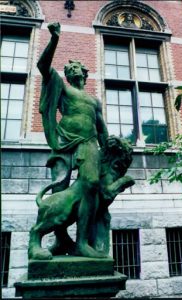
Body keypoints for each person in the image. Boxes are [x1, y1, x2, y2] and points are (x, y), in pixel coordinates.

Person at [37, 22, 109, 258]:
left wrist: (107, 149)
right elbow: (43, 65)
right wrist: (54, 39)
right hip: (63, 142)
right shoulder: (63, 89)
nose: (73, 70)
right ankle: (60, 240)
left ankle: (82, 242)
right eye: (70, 69)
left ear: (84, 73)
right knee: (59, 188)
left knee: (90, 185)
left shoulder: (93, 101)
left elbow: (101, 129)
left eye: (77, 67)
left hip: (89, 144)